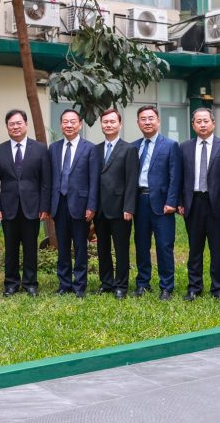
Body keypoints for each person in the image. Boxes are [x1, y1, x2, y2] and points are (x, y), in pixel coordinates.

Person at [0, 109, 51, 297]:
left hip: (33, 207)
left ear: (26, 124)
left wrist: (45, 206)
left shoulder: (40, 149)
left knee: (30, 247)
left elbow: (46, 181)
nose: (15, 127)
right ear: (7, 127)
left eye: (18, 123)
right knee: (11, 248)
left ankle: (30, 283)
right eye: (11, 124)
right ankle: (11, 283)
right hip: (8, 207)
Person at [178, 108, 220, 302]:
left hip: (218, 205)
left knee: (217, 248)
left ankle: (218, 288)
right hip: (193, 203)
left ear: (213, 123)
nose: (202, 124)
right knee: (194, 248)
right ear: (193, 124)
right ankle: (194, 287)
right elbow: (180, 177)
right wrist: (180, 201)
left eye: (206, 121)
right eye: (198, 121)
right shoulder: (184, 147)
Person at [48, 109, 98, 298]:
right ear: (61, 124)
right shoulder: (54, 148)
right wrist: (49, 205)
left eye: (72, 122)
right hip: (59, 204)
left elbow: (94, 180)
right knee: (62, 246)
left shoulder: (90, 148)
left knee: (80, 247)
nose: (69, 125)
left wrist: (91, 206)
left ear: (80, 124)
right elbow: (50, 178)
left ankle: (79, 285)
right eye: (65, 122)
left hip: (81, 205)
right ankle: (64, 284)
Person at [132, 106, 182, 300]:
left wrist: (172, 202)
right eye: (143, 119)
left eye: (151, 118)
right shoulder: (134, 146)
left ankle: (166, 286)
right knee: (141, 244)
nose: (147, 122)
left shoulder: (170, 145)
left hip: (162, 204)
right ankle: (142, 283)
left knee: (164, 245)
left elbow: (175, 176)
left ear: (158, 121)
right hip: (139, 201)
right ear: (138, 123)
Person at [95, 108, 139, 300]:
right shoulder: (96, 149)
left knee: (121, 249)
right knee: (102, 248)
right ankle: (106, 282)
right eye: (105, 122)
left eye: (112, 121)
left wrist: (129, 207)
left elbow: (131, 180)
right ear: (101, 125)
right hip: (100, 209)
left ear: (120, 124)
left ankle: (121, 285)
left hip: (121, 209)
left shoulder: (129, 149)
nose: (108, 125)